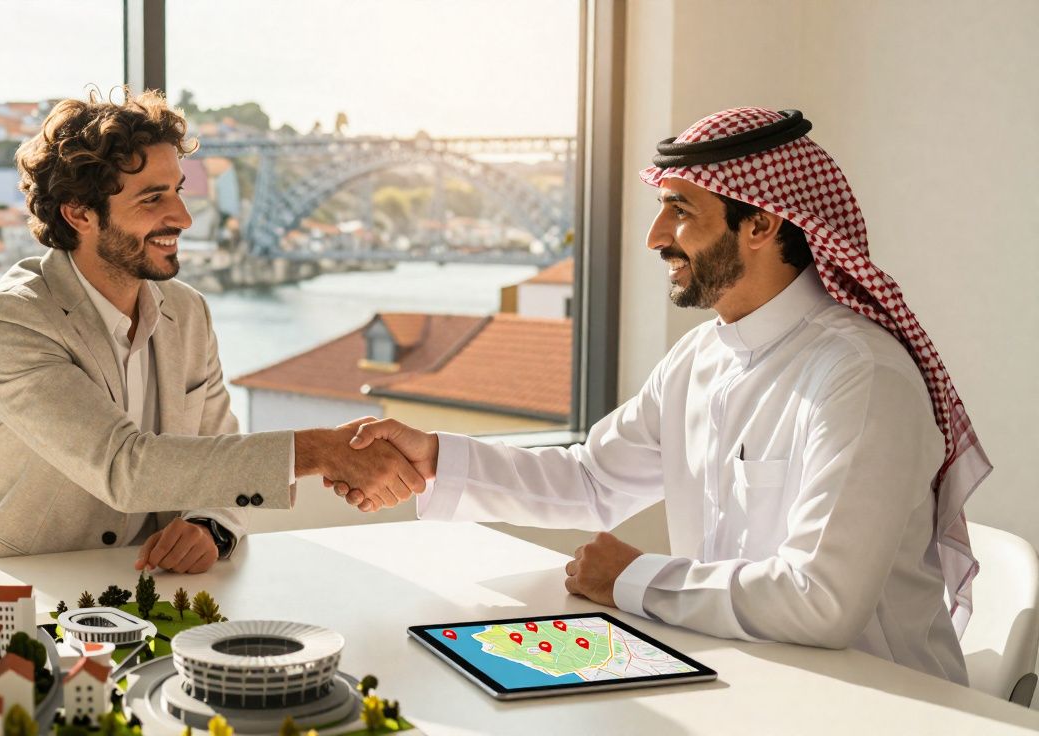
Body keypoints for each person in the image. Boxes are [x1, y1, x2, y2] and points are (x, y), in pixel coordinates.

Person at [332, 108, 991, 684]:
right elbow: (592, 480)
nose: (655, 238)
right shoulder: (701, 357)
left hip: (885, 705)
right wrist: (433, 460)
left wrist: (631, 577)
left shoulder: (860, 377)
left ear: (760, 224)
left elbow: (820, 601)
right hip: (746, 677)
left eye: (680, 212)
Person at [0, 89, 423, 571]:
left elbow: (220, 452)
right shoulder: (12, 323)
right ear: (79, 213)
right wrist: (320, 452)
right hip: (29, 594)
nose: (183, 218)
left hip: (158, 591)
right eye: (152, 197)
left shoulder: (187, 312)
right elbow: (125, 466)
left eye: (179, 190)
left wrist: (211, 526)